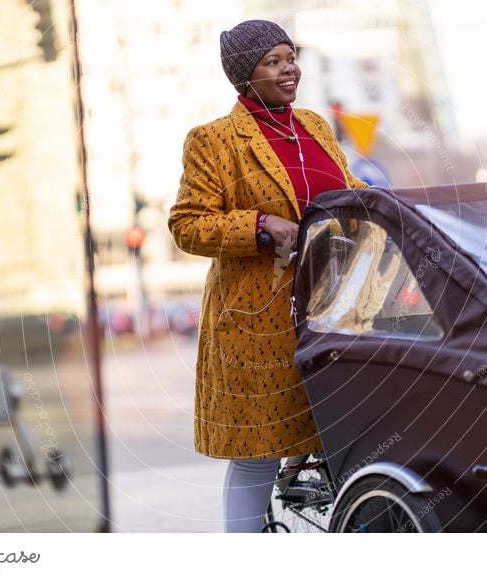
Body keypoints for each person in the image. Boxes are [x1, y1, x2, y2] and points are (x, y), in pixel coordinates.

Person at [168, 19, 367, 533]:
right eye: (273, 62)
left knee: (342, 435)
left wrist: (388, 205)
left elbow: (349, 188)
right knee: (258, 451)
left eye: (290, 57)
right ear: (244, 74)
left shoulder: (317, 127)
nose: (288, 69)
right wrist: (261, 225)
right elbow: (187, 225)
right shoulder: (213, 141)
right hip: (257, 321)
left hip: (331, 306)